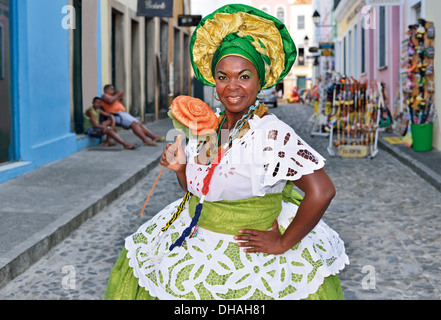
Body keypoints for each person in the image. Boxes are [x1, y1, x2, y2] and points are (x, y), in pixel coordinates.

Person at [105, 4, 348, 300]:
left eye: (244, 76)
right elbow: (202, 190)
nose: (232, 86)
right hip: (198, 245)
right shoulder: (213, 128)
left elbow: (322, 191)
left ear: (260, 82)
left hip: (251, 262)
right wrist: (181, 169)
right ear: (214, 81)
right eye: (223, 77)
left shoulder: (271, 134)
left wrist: (283, 243)